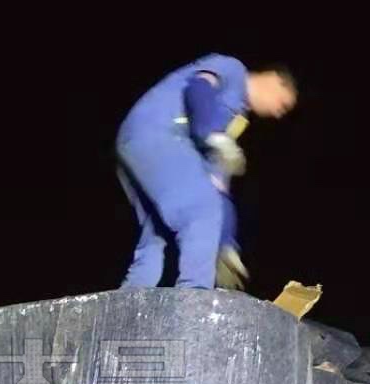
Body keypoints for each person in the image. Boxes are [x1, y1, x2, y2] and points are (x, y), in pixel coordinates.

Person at [117, 57, 296, 290]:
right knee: (201, 210)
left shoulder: (236, 118)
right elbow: (199, 86)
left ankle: (129, 301)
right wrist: (212, 133)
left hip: (138, 146)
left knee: (156, 235)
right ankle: (195, 297)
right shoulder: (233, 70)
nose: (278, 113)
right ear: (273, 80)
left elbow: (217, 186)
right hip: (159, 131)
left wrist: (225, 243)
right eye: (282, 104)